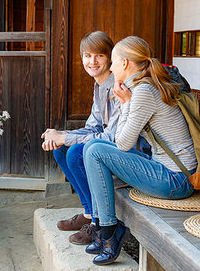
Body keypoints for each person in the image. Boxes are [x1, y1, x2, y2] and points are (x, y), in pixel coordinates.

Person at [83, 36, 197, 265]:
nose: (112, 68)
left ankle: (108, 233)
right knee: (92, 146)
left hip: (176, 180)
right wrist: (126, 102)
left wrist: (125, 104)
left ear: (124, 63)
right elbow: (120, 141)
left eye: (113, 62)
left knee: (95, 151)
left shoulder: (144, 91)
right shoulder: (145, 85)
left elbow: (122, 143)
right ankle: (104, 227)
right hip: (168, 171)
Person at [41, 31, 120, 244]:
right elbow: (91, 127)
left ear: (110, 57)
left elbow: (110, 137)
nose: (92, 61)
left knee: (75, 151)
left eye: (99, 56)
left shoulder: (117, 86)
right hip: (106, 146)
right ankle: (88, 212)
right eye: (87, 55)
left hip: (129, 151)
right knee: (61, 148)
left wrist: (66, 138)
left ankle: (97, 222)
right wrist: (61, 136)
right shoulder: (99, 85)